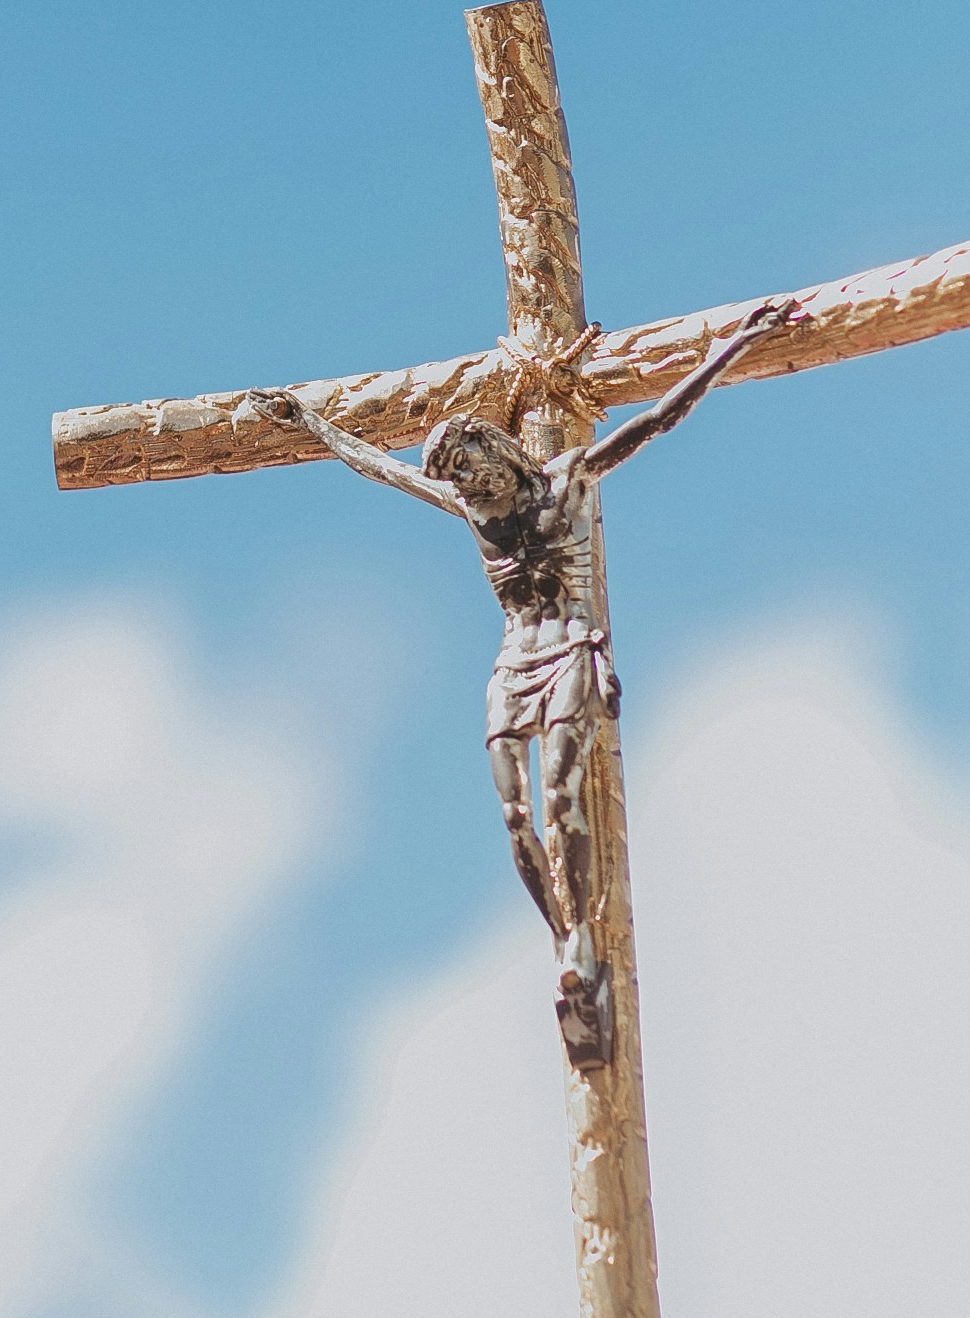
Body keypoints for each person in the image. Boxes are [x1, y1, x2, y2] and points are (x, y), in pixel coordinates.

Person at [241, 296, 796, 1068]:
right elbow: (380, 471)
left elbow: (660, 419)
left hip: (568, 647)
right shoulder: (471, 511)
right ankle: (566, 941)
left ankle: (588, 939)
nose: (470, 490)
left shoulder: (565, 479)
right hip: (513, 662)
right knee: (515, 816)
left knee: (564, 798)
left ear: (498, 453)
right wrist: (311, 424)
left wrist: (736, 342)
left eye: (473, 471)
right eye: (459, 483)